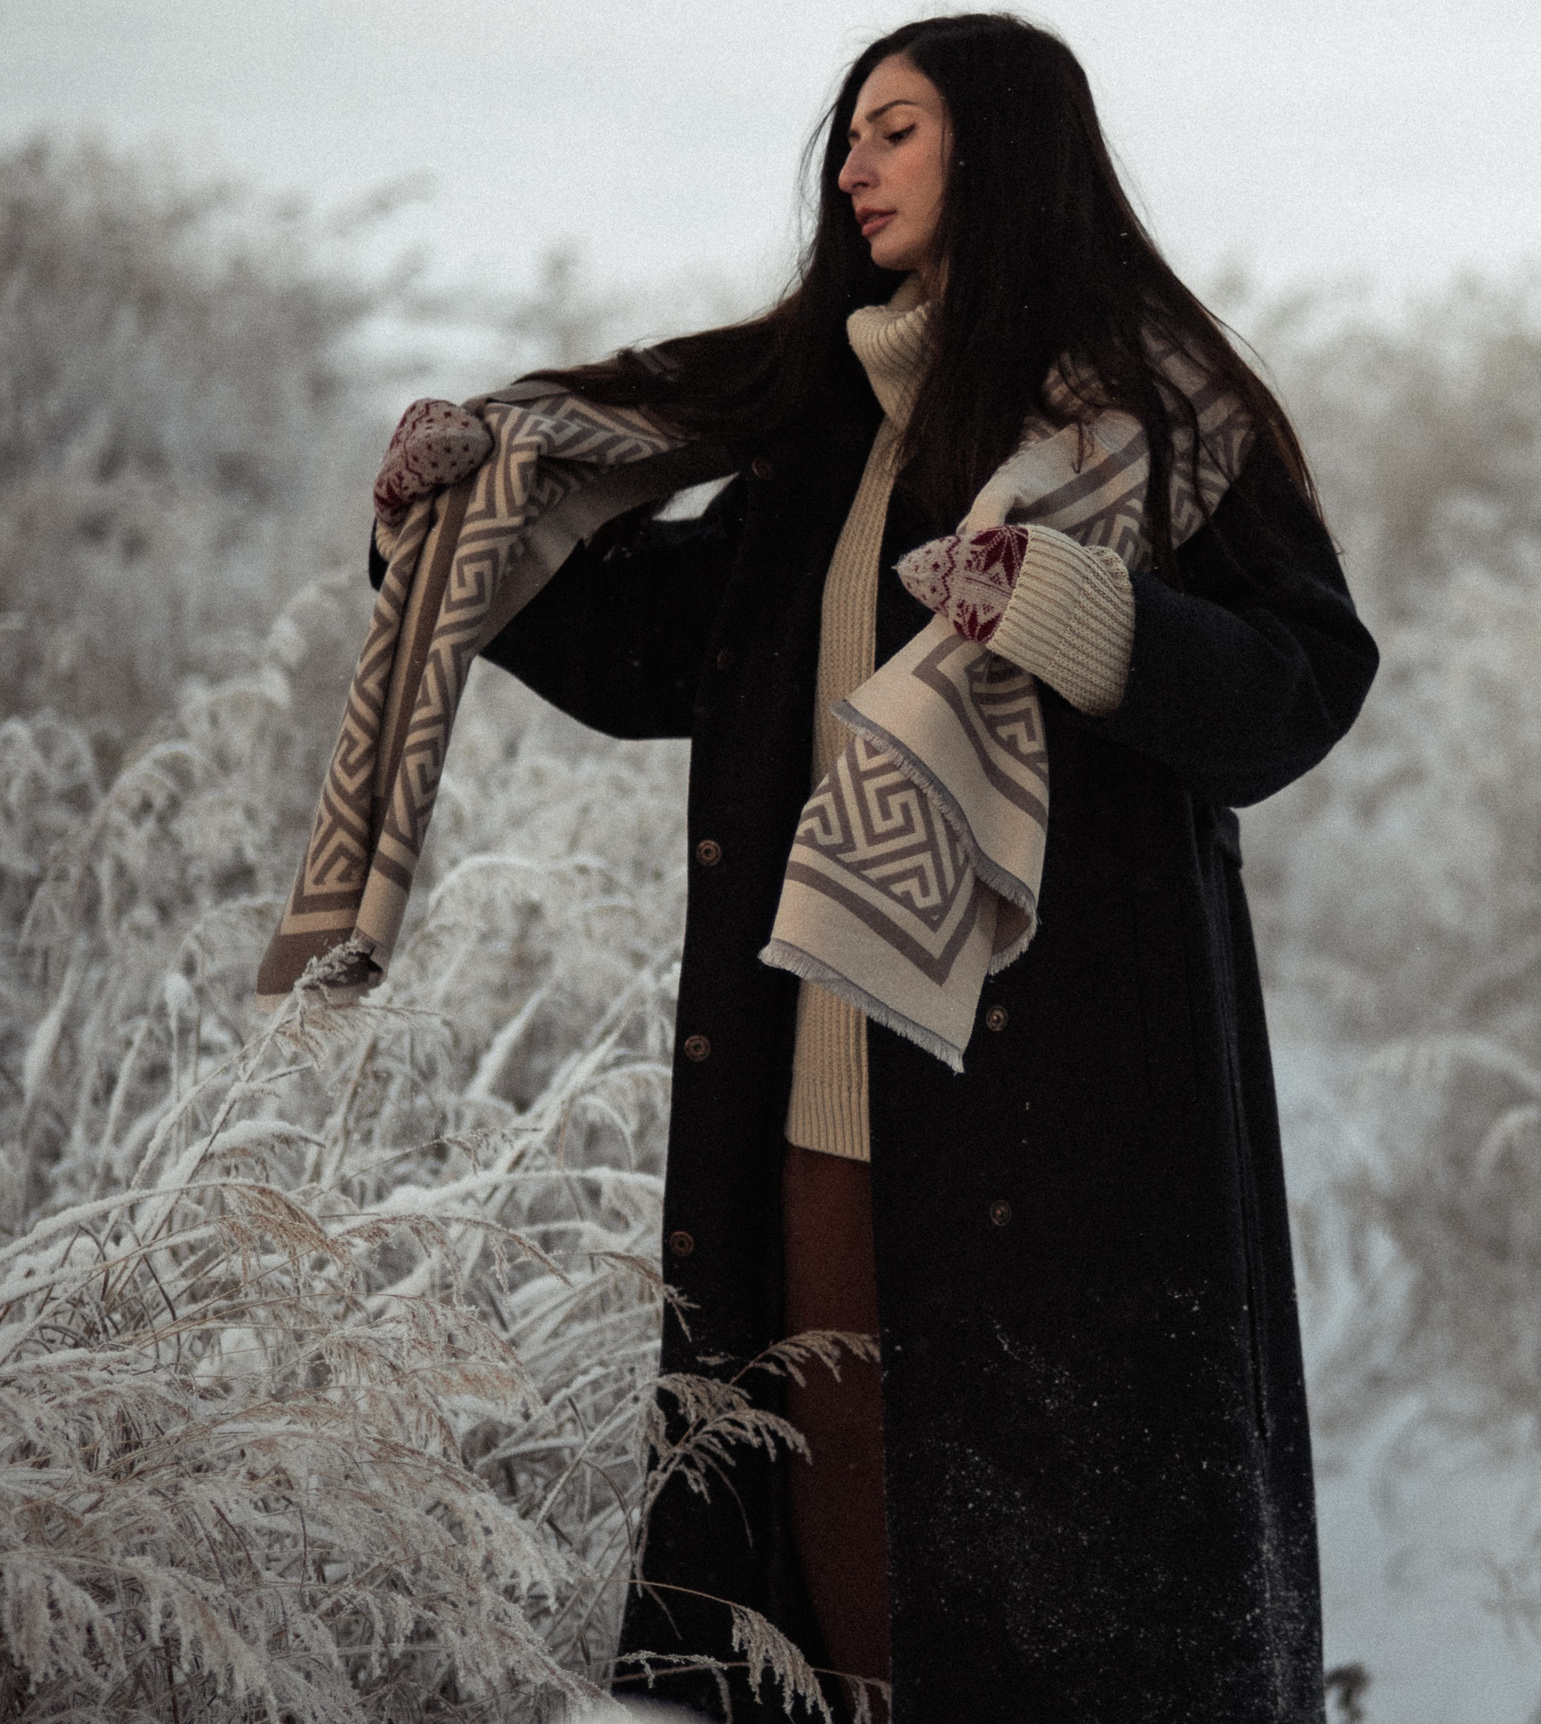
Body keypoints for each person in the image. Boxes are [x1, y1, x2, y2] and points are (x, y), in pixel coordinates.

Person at [362, 12, 1374, 1722]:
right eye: (849, 134)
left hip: (1083, 1134)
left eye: (894, 129)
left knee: (1078, 1613)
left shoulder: (1163, 419)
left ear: (1006, 148)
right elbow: (649, 658)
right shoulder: (819, 437)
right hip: (824, 1093)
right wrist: (441, 535)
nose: (853, 166)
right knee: (841, 1601)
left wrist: (1068, 608)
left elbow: (1298, 686)